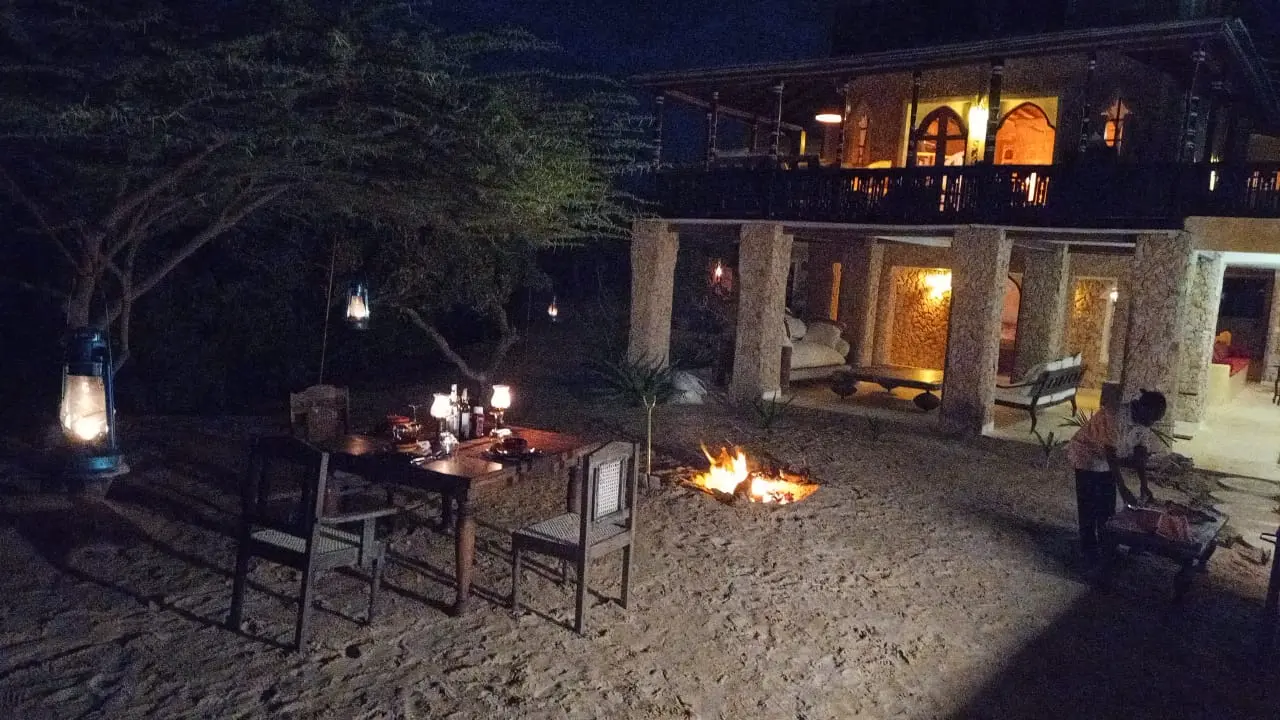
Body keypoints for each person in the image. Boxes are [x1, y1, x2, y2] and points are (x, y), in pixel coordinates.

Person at [1065, 390, 1168, 563]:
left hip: (1104, 459)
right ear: (1142, 407)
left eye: (1155, 420)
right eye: (1152, 418)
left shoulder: (1143, 421)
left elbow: (1140, 454)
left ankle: (1108, 547)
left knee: (1107, 507)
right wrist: (1123, 488)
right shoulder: (1115, 416)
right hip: (1086, 456)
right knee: (1089, 505)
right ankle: (1088, 549)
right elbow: (1111, 455)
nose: (1151, 423)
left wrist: (1144, 485)